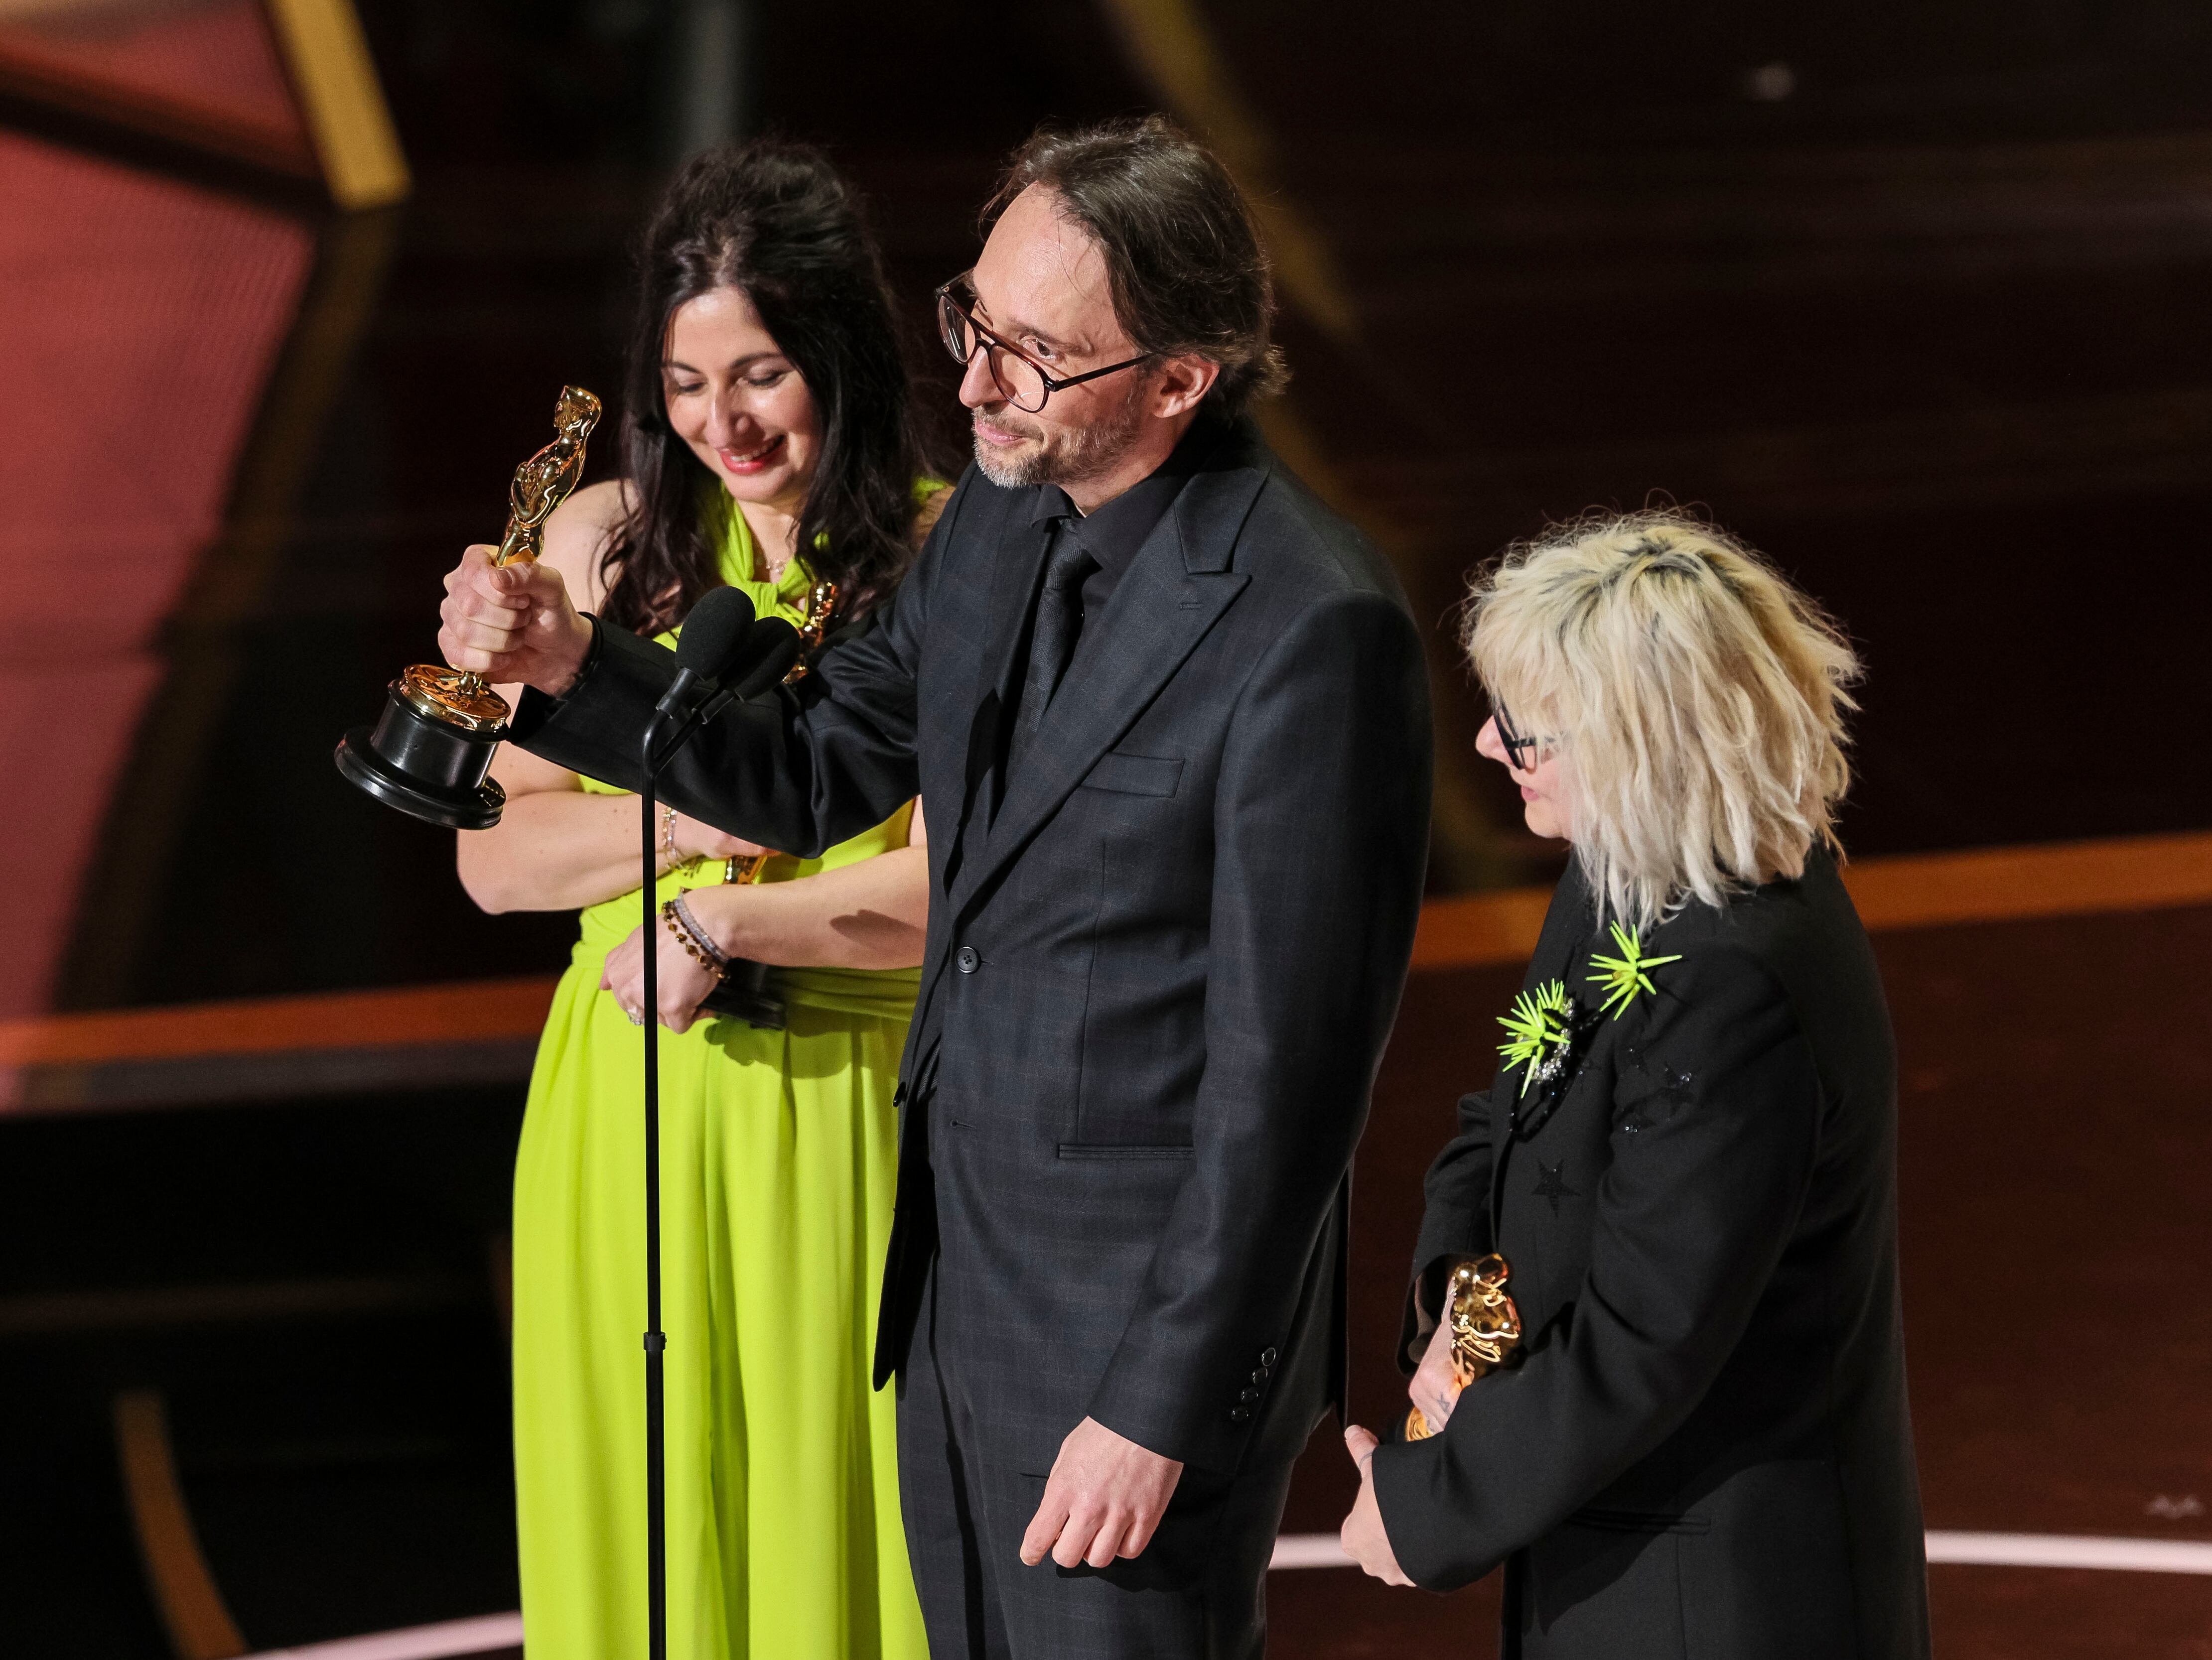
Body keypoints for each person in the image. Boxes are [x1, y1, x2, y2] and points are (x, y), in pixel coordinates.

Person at [436, 116, 1433, 1660]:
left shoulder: (1312, 624)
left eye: (1033, 353)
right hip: (953, 1312)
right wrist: (575, 667)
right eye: (974, 317)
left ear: (1180, 378)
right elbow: (819, 760)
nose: (968, 381)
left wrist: (1157, 1404)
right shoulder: (999, 520)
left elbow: (1289, 1079)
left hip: (1122, 1363)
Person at [455, 141, 948, 1660]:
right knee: (647, 1528)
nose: (720, 422)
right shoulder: (607, 541)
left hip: (846, 1113)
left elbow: (961, 886)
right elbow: (492, 857)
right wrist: (702, 828)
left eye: (761, 374)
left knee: (837, 1536)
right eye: (682, 381)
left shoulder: (955, 553)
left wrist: (706, 880)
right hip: (627, 1097)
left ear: (843, 363)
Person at [1337, 510, 1930, 1658]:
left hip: (1711, 1597)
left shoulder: (1737, 979)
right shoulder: (1625, 875)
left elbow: (1646, 1337)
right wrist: (1462, 1331)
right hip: (1614, 1538)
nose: (1487, 749)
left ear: (1638, 747)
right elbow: (1512, 1104)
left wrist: (1426, 1505)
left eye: (1526, 730)